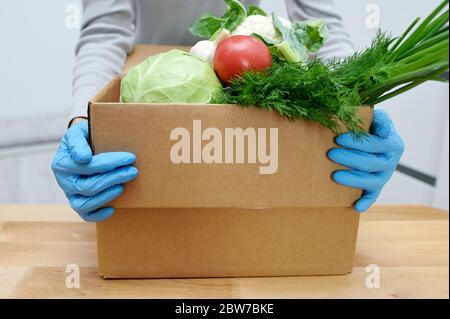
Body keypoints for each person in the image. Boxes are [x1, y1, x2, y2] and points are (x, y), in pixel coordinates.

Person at [52, 0, 404, 222]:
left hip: (245, 90)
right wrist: (83, 118)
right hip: (150, 101)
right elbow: (104, 30)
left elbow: (325, 31)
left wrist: (359, 111)